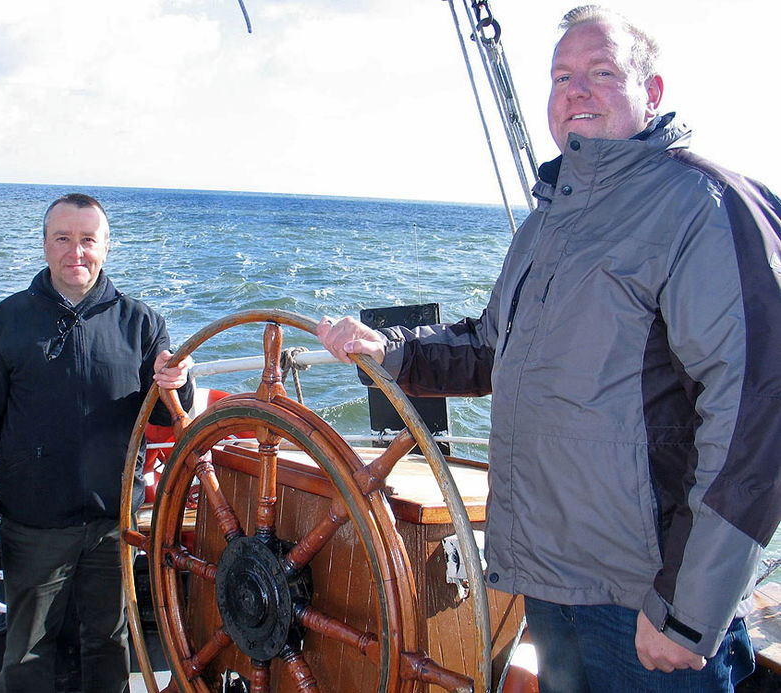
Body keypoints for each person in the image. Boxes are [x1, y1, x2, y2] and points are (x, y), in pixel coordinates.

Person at [317, 5, 781, 691]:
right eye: (562, 76)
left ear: (652, 93)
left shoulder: (702, 207)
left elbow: (754, 413)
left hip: (645, 602)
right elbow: (488, 347)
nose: (576, 91)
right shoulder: (546, 225)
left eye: (601, 72)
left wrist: (689, 608)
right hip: (550, 587)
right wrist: (388, 349)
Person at [0, 193, 195, 692]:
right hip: (34, 524)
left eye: (88, 240)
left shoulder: (142, 324)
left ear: (106, 247)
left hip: (113, 522)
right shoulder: (6, 321)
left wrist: (174, 383)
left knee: (108, 641)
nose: (77, 251)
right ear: (45, 245)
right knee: (27, 649)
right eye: (63, 239)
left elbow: (164, 416)